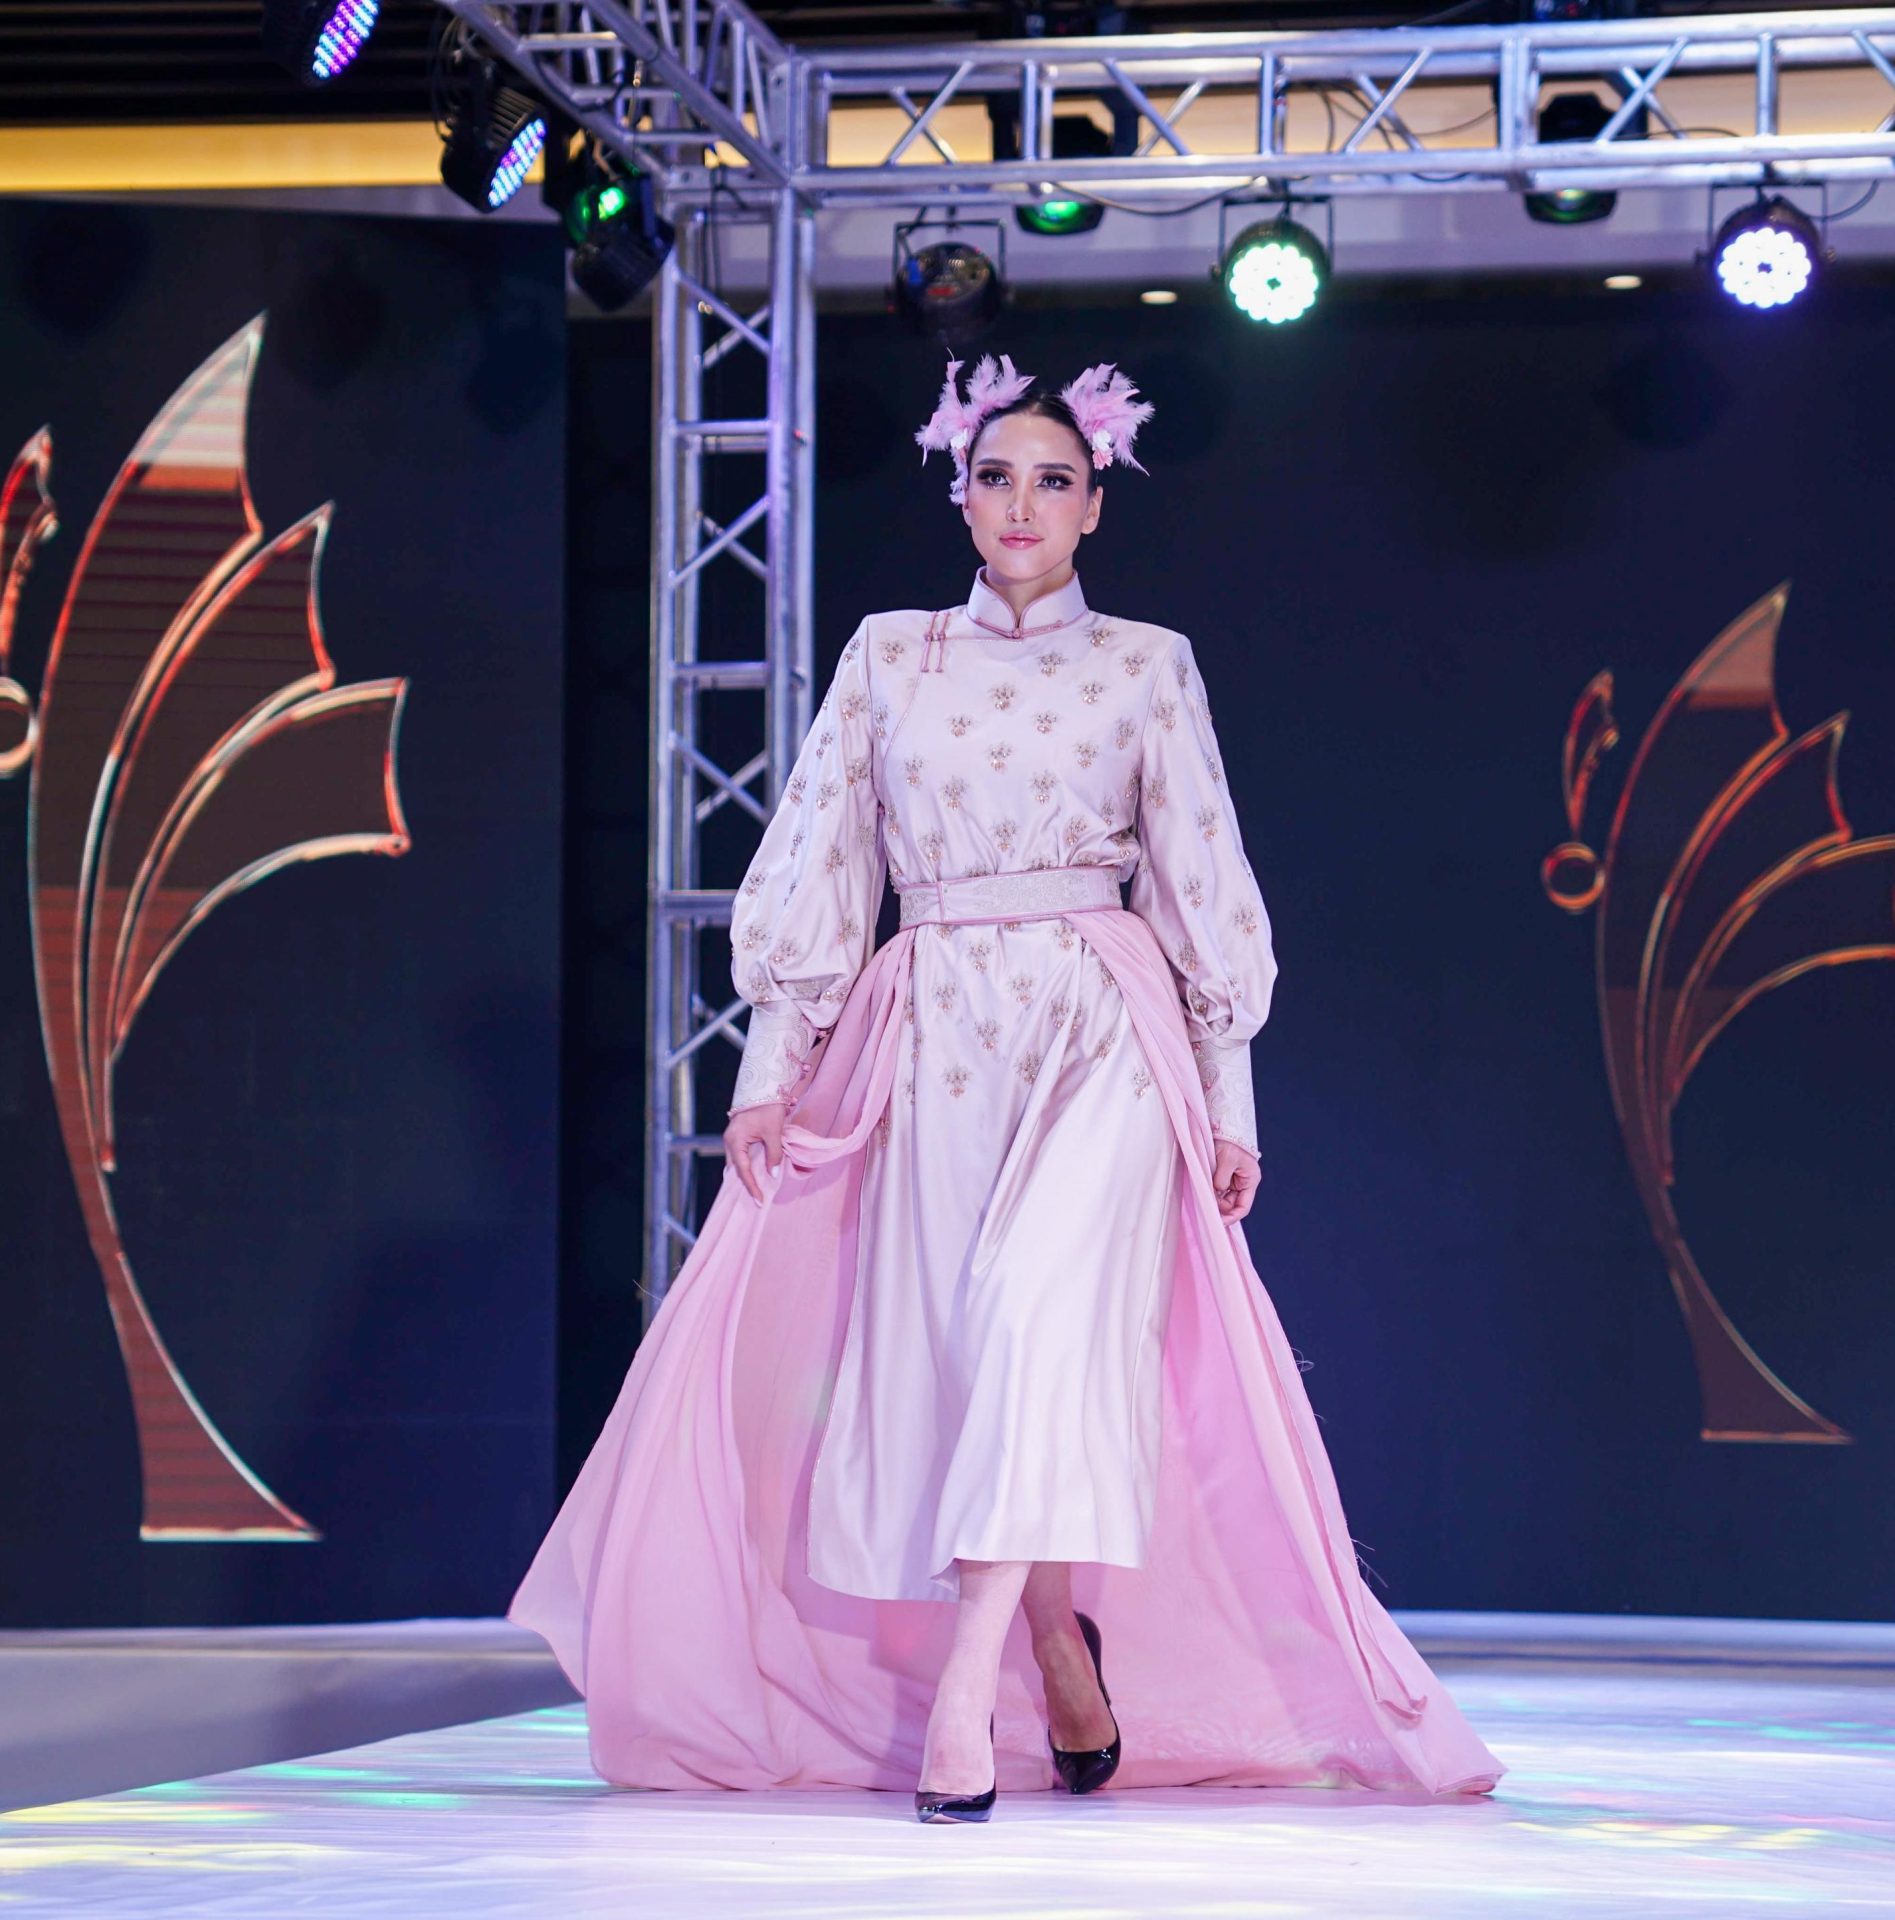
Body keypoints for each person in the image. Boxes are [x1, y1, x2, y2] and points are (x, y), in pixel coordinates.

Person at [508, 354, 1506, 1825]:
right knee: (963, 1351)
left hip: (1104, 1020)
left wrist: (1231, 1102)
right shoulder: (888, 655)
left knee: (1039, 1312)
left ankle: (968, 1698)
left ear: (1094, 505)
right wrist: (768, 1074)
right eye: (996, 476)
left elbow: (1201, 880)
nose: (1022, 502)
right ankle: (1055, 1637)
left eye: (1054, 478)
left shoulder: (1146, 664)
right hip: (939, 1021)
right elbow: (818, 866)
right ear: (960, 498)